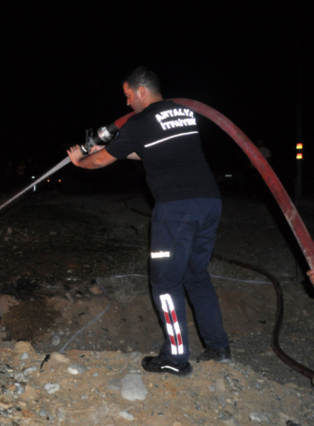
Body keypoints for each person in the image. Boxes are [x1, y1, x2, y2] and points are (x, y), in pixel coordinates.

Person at [67, 66, 230, 377]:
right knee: (197, 276)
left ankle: (176, 358)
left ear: (141, 91)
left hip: (176, 210)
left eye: (128, 95)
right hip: (209, 202)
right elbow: (152, 153)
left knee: (165, 284)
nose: (127, 103)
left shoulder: (140, 122)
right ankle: (219, 348)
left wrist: (81, 161)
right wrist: (112, 148)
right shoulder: (184, 113)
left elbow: (100, 161)